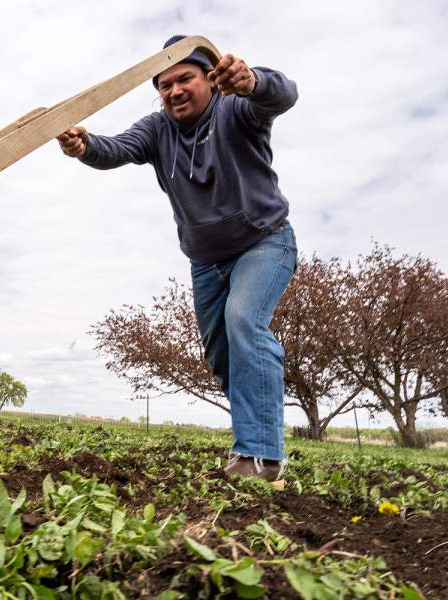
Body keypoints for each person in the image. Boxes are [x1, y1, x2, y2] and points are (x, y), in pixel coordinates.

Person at [57, 35, 298, 484]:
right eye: (164, 85)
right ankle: (251, 440)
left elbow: (282, 94)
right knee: (223, 353)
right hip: (206, 261)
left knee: (244, 321)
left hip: (264, 243)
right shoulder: (158, 128)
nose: (174, 92)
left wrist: (252, 81)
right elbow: (118, 149)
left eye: (184, 79)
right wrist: (84, 146)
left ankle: (261, 459)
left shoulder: (236, 107)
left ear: (210, 76)